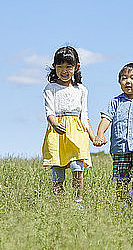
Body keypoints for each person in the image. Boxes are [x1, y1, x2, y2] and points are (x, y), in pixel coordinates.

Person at [41, 46, 96, 207]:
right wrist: (54, 123)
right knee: (58, 167)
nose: (64, 71)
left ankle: (77, 201)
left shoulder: (82, 89)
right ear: (54, 67)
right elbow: (49, 112)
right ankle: (58, 202)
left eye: (68, 67)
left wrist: (93, 137)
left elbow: (84, 116)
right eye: (60, 67)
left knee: (76, 165)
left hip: (77, 131)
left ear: (76, 67)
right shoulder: (50, 88)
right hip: (57, 131)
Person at [93, 63, 133, 206]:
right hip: (120, 147)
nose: (128, 81)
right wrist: (100, 134)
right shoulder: (115, 102)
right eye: (124, 78)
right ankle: (121, 204)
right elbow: (106, 118)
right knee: (122, 177)